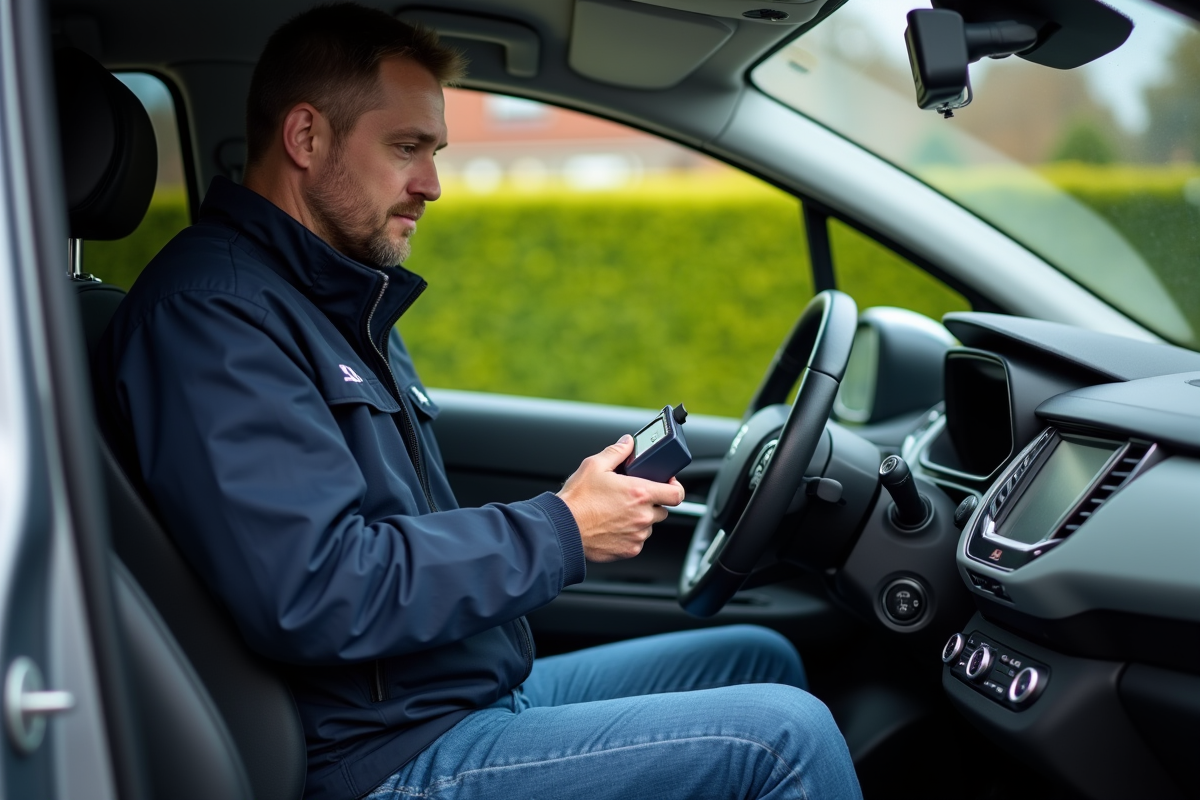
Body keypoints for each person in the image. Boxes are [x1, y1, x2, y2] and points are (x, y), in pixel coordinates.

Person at [94, 4, 862, 799]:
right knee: (782, 739)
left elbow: (394, 536)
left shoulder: (337, 299)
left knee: (755, 656)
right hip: (378, 757)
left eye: (435, 152)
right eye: (406, 148)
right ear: (305, 138)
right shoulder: (213, 318)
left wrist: (569, 510)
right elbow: (315, 589)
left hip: (451, 697)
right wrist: (563, 527)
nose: (432, 184)